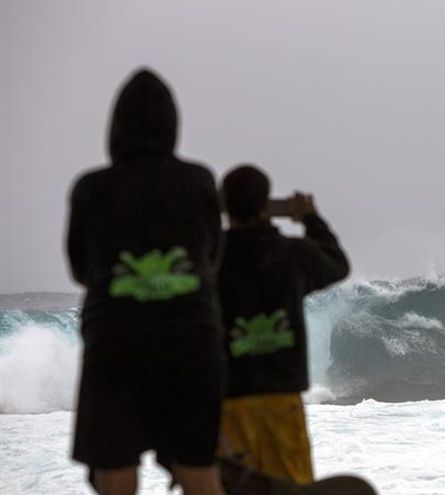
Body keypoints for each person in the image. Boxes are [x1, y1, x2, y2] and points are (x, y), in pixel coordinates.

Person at [66, 68, 225, 495]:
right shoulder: (199, 181)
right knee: (199, 469)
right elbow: (211, 258)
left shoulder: (91, 187)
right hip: (192, 338)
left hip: (115, 338)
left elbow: (81, 268)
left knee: (115, 470)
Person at [217, 165, 349, 485]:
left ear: (224, 205)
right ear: (266, 206)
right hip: (280, 399)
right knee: (292, 488)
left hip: (228, 401)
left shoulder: (210, 257)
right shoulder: (292, 254)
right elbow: (337, 263)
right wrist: (310, 218)